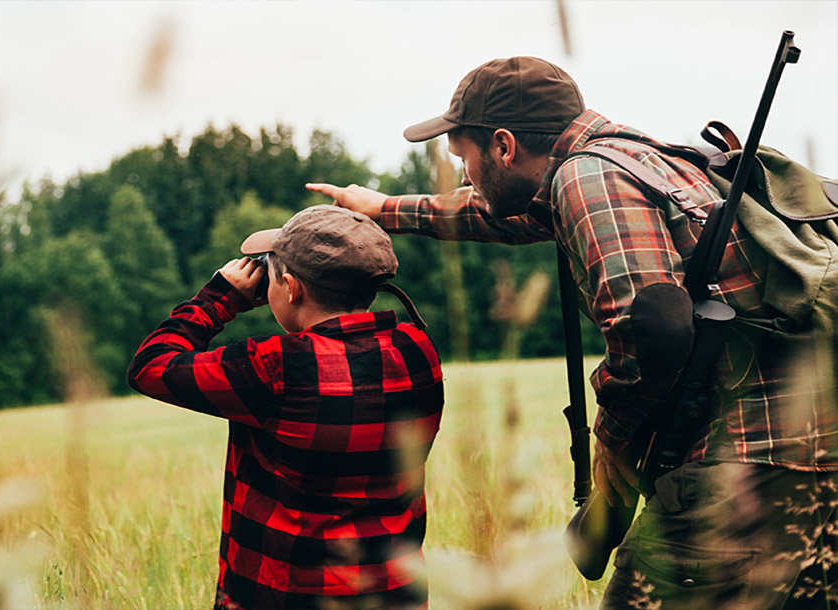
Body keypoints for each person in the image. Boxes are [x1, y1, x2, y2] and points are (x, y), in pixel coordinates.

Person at [307, 56, 838, 608]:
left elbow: (654, 331)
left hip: (743, 476)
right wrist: (385, 209)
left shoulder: (587, 178)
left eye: (463, 157)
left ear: (505, 146)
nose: (464, 174)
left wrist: (611, 469)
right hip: (812, 462)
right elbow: (495, 212)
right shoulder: (636, 159)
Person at [127, 205, 444, 609]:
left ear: (291, 288)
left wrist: (218, 300)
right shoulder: (416, 349)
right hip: (394, 595)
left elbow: (150, 367)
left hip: (287, 597)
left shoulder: (275, 367)